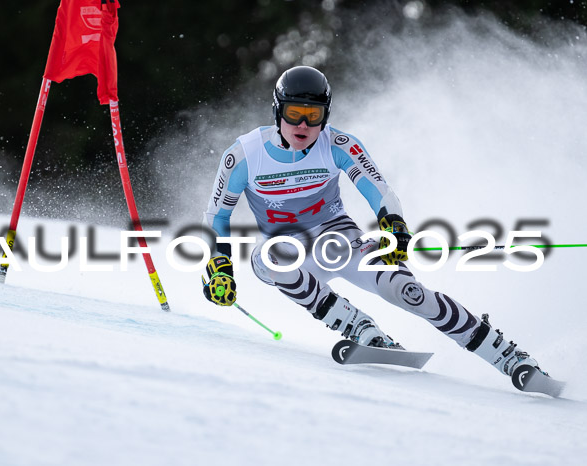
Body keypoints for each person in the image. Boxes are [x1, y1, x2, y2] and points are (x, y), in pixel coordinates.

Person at [201, 65, 548, 386]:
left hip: (338, 240)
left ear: (326, 116)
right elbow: (217, 216)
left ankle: (508, 356)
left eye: (314, 116)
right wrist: (220, 267)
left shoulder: (337, 144)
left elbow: (379, 189)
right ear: (278, 111)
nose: (303, 126)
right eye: (294, 114)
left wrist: (394, 226)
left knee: (405, 290)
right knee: (270, 258)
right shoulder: (245, 155)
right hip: (288, 248)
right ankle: (359, 327)